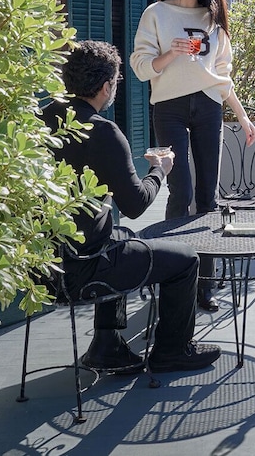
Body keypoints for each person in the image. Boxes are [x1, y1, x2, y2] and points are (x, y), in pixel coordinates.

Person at [42, 40, 221, 373]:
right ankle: (173, 351)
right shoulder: (103, 132)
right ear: (106, 86)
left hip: (43, 269)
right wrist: (159, 170)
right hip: (84, 270)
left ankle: (106, 346)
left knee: (121, 236)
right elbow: (136, 204)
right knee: (186, 259)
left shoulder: (41, 121)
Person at [130, 0, 255, 313]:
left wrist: (243, 117)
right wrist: (171, 52)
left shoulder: (213, 19)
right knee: (180, 189)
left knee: (207, 196)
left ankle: (205, 285)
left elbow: (222, 77)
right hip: (168, 107)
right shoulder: (156, 13)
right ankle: (172, 278)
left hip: (207, 107)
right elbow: (140, 67)